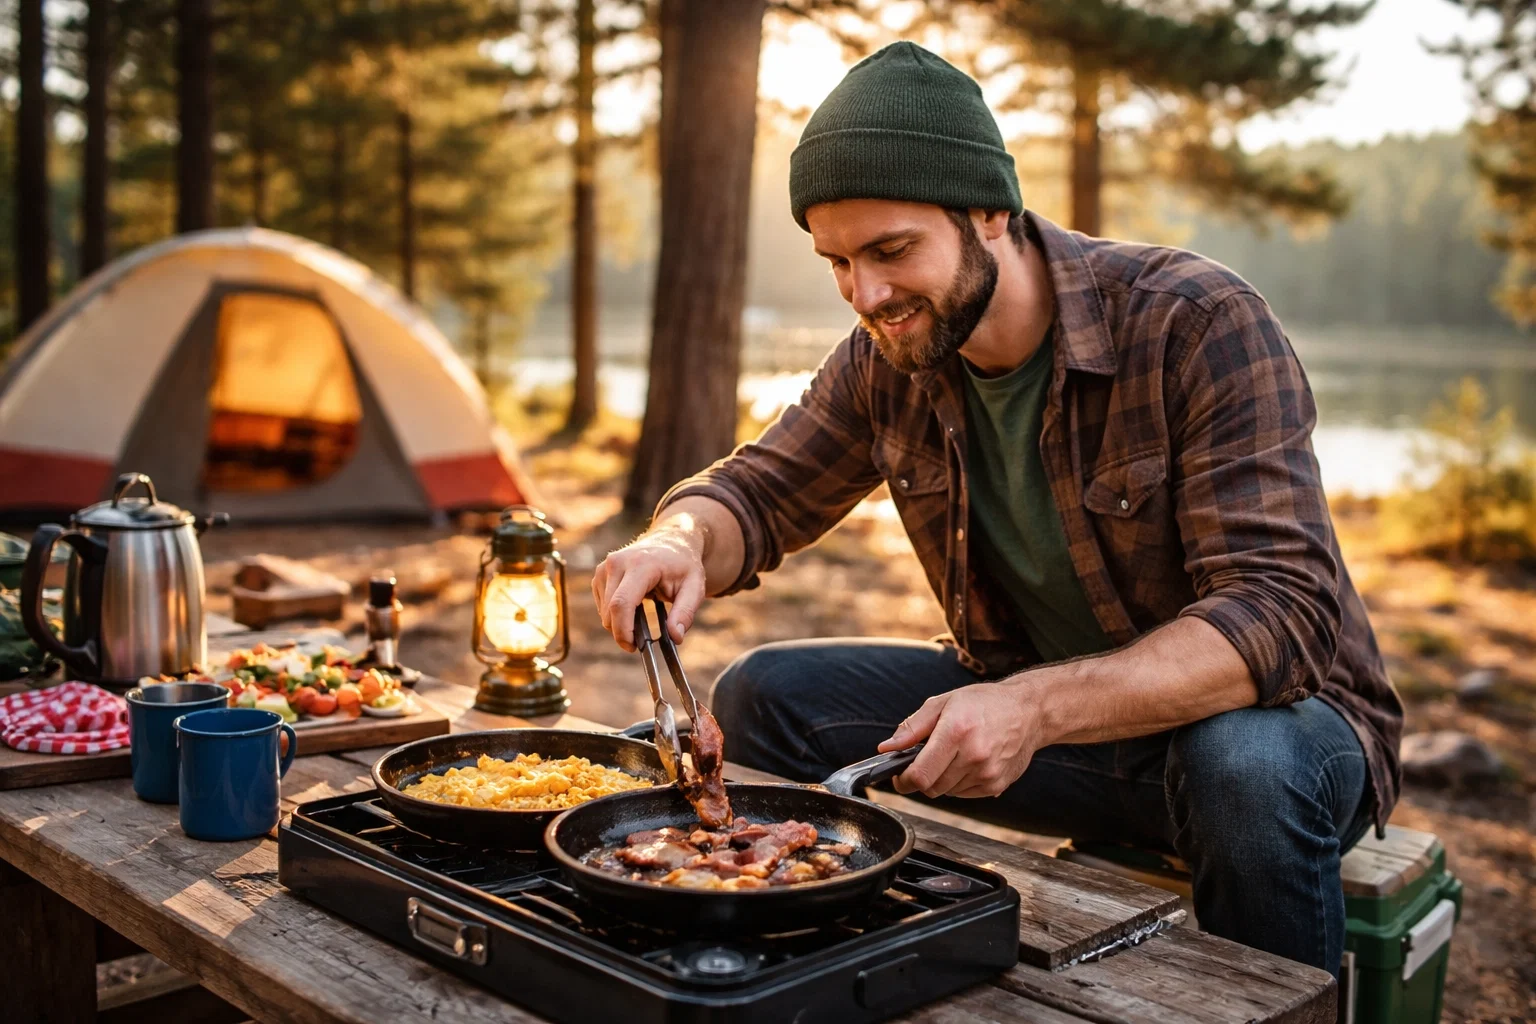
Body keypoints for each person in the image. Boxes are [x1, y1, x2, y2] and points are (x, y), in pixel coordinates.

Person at [592, 41, 1402, 976]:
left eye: (892, 251)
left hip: (1281, 742)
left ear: (990, 211)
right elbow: (757, 493)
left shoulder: (1196, 321)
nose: (866, 295)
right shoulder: (889, 356)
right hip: (1075, 743)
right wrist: (679, 539)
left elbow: (1280, 615)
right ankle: (800, 972)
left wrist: (1032, 706)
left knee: (1240, 765)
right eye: (837, 261)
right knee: (765, 697)